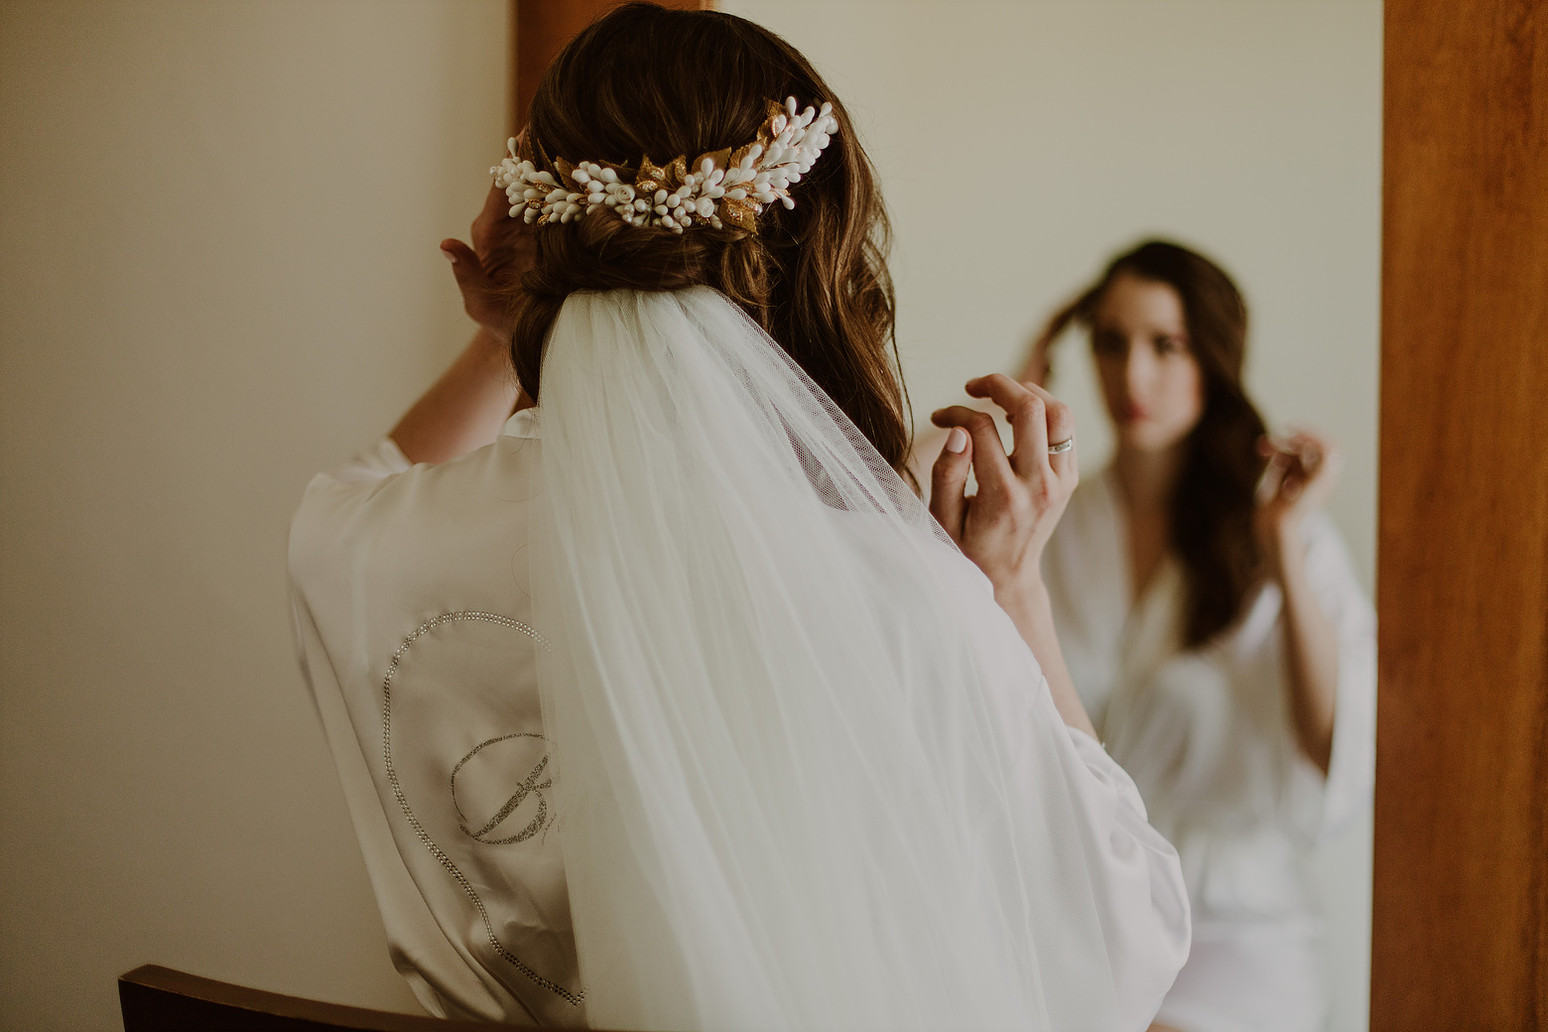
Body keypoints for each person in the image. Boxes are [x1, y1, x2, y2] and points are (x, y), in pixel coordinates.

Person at [288, 6, 1190, 1029]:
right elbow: (1127, 945)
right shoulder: (897, 592)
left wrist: (518, 332)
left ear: (531, 237)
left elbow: (359, 482)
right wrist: (1011, 591)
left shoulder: (365, 553)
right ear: (815, 261)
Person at [1021, 241, 1376, 1032]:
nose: (1130, 376)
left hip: (1235, 934)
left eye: (1164, 345)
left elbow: (1337, 747)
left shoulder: (1285, 538)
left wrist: (1282, 542)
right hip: (1090, 920)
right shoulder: (1059, 532)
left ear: (1211, 357)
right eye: (1110, 343)